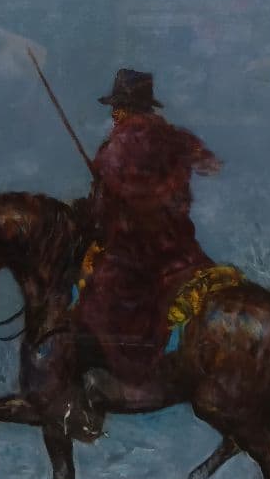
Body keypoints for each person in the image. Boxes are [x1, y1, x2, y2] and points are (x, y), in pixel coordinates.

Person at [73, 68, 221, 383]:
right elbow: (210, 165)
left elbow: (103, 208)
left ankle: (118, 374)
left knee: (94, 297)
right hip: (181, 245)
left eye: (116, 107)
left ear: (125, 108)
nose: (114, 114)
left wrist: (90, 209)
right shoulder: (176, 137)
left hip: (135, 247)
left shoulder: (115, 146)